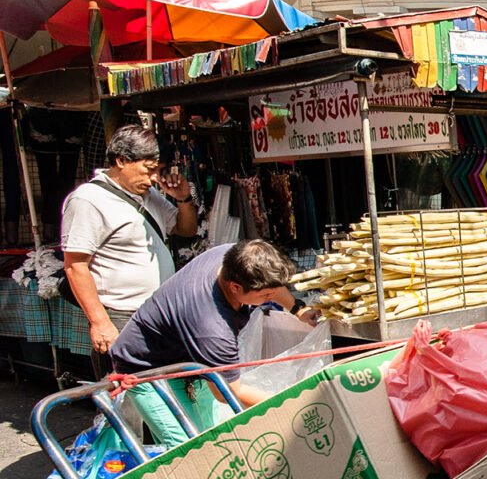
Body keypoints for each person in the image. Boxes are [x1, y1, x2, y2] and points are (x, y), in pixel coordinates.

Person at [60, 125, 199, 379]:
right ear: (122, 160)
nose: (154, 178)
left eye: (157, 170)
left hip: (160, 314)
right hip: (122, 318)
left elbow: (186, 229)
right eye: (149, 169)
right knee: (129, 403)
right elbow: (75, 265)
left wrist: (183, 199)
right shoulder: (88, 200)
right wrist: (100, 323)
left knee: (165, 396)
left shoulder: (149, 195)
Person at [110, 240, 307, 417]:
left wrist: (298, 309)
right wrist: (293, 405)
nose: (270, 298)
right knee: (190, 445)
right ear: (236, 287)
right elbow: (228, 392)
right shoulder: (212, 328)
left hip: (193, 361)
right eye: (265, 295)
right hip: (148, 370)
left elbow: (271, 285)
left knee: (213, 433)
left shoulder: (235, 256)